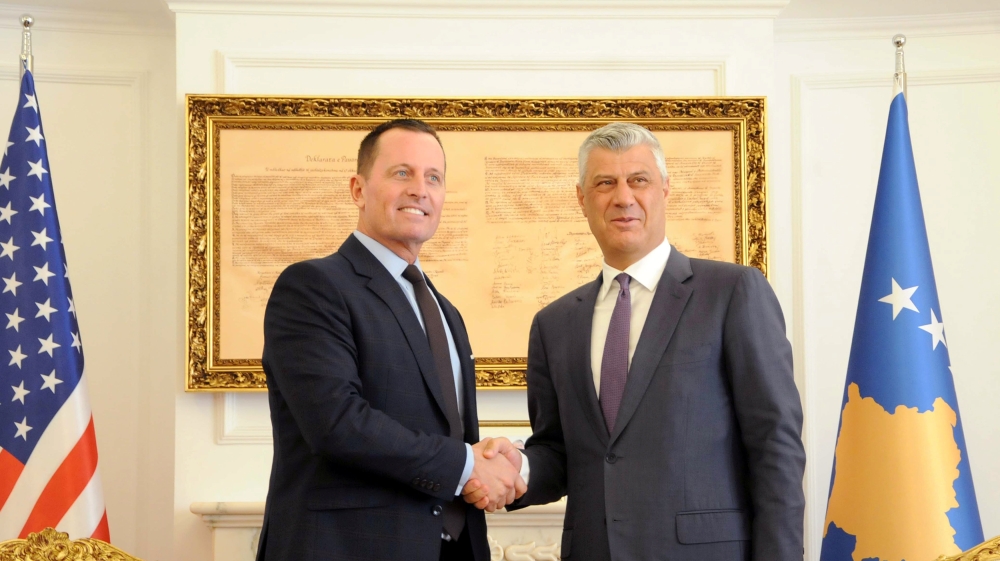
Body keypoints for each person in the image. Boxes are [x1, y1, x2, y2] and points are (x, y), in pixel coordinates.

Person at [465, 122, 806, 560]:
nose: (623, 197)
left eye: (638, 180)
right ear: (582, 198)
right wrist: (520, 466)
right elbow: (560, 451)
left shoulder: (732, 292)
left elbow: (775, 443)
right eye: (605, 183)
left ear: (664, 189)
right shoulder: (554, 324)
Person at [256, 119, 524, 561]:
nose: (420, 190)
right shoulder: (313, 286)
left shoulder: (445, 310)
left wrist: (493, 464)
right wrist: (467, 464)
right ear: (358, 189)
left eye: (433, 178)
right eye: (402, 173)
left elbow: (446, 432)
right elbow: (337, 423)